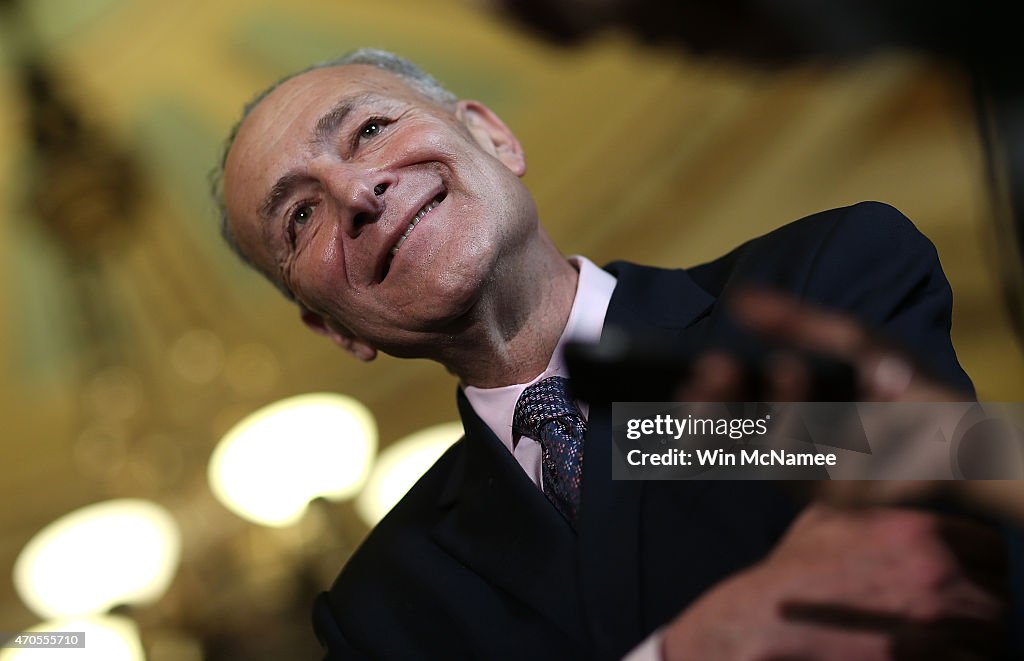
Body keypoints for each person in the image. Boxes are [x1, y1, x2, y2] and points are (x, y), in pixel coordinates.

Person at [214, 49, 1005, 659]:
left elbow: (945, 538)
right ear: (336, 330)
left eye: (371, 129)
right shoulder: (380, 613)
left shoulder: (821, 281)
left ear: (493, 137)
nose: (356, 192)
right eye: (300, 218)